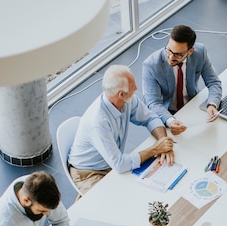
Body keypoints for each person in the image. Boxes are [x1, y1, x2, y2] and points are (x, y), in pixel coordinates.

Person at [68, 65, 175, 194]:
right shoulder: (98, 122)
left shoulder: (127, 99)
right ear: (121, 94)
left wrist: (164, 142)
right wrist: (156, 149)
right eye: (133, 87)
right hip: (88, 172)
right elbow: (119, 164)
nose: (136, 88)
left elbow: (151, 118)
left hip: (111, 162)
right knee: (112, 208)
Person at [142, 24, 222, 135]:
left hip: (192, 104)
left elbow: (213, 82)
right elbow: (153, 103)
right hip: (165, 112)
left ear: (190, 51)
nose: (171, 57)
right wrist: (171, 121)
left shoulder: (200, 53)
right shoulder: (151, 65)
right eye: (169, 50)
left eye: (178, 54)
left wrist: (212, 104)